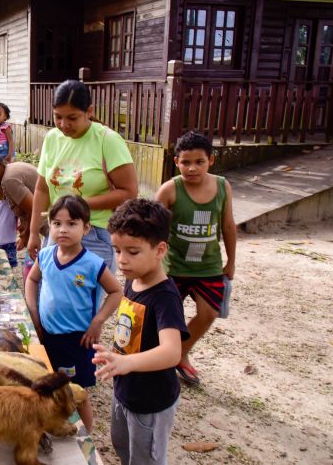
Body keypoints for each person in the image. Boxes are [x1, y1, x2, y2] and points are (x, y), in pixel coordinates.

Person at [93, 198, 189, 465]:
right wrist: (114, 355)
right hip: (125, 390)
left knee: (145, 459)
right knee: (124, 449)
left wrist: (126, 362)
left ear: (159, 250)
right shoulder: (133, 279)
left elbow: (171, 352)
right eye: (117, 250)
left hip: (151, 402)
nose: (122, 260)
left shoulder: (165, 297)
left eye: (132, 252)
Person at [24, 196, 123, 430]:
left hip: (77, 341)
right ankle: (53, 427)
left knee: (76, 394)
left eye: (71, 223)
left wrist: (98, 321)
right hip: (47, 335)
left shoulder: (93, 264)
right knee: (47, 386)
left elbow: (116, 291)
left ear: (86, 228)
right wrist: (34, 312)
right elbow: (32, 280)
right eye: (57, 223)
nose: (63, 229)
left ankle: (85, 438)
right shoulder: (46, 255)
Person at [28, 79, 138, 271]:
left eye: (72, 118)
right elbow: (42, 188)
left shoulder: (107, 140)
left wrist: (80, 204)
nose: (64, 124)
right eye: (58, 117)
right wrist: (33, 232)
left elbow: (129, 192)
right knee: (50, 296)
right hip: (57, 231)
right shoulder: (53, 138)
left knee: (88, 300)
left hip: (94, 233)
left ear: (89, 111)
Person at [155, 131, 237, 385]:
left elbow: (228, 226)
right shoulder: (169, 190)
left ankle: (180, 354)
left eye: (199, 162)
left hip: (209, 267)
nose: (192, 168)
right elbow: (151, 227)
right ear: (176, 162)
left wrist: (231, 261)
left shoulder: (222, 186)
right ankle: (154, 360)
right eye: (185, 162)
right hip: (174, 268)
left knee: (209, 313)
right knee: (163, 319)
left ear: (211, 160)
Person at [0, 149, 45, 283]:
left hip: (53, 225)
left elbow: (35, 210)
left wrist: (29, 234)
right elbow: (27, 211)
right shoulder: (9, 172)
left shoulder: (8, 180)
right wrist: (24, 233)